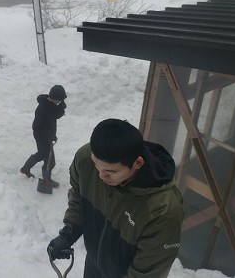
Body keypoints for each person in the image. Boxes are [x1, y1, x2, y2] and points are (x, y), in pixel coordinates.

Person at [47, 119, 183, 278]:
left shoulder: (162, 209)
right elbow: (79, 195)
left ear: (137, 163)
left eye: (111, 172)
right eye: (96, 165)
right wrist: (69, 233)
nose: (101, 175)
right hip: (94, 265)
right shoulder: (85, 159)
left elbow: (147, 273)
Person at [20, 84, 67, 186]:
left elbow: (56, 115)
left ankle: (26, 168)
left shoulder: (51, 105)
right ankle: (46, 179)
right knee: (50, 160)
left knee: (43, 154)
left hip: (47, 136)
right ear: (54, 98)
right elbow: (36, 126)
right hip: (41, 136)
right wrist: (48, 135)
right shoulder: (42, 109)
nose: (59, 102)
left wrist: (62, 106)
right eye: (59, 100)